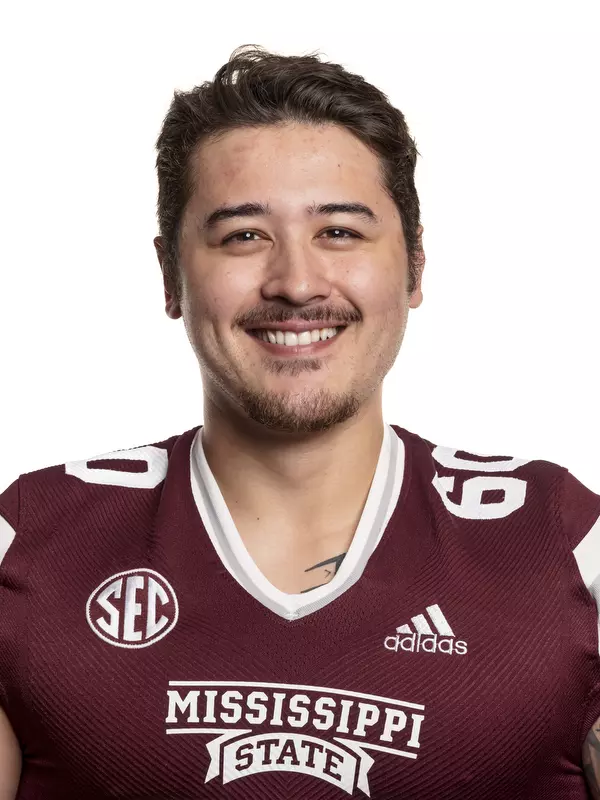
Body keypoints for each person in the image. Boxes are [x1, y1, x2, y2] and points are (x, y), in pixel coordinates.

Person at [0, 43, 599, 800]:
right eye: (243, 236)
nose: (296, 282)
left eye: (340, 232)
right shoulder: (31, 547)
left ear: (415, 267)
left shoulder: (564, 548)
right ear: (169, 275)